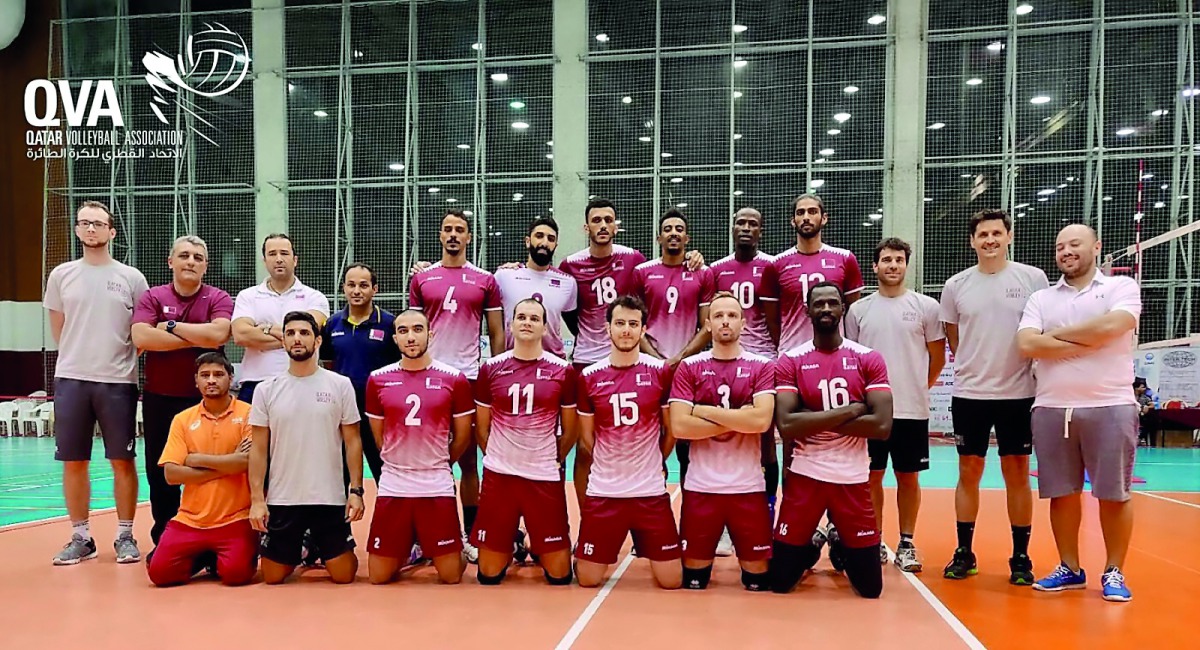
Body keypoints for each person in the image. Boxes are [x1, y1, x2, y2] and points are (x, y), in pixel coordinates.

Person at [1017, 224, 1141, 602]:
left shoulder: (1121, 288)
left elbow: (1114, 325)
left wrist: (1055, 339)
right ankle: (1069, 567)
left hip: (1111, 404)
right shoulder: (1041, 298)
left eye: (1074, 244)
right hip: (1053, 407)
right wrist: (1090, 340)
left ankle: (1114, 571)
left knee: (1114, 494)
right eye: (1060, 247)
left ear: (1096, 247)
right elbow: (1026, 344)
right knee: (1061, 493)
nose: (1066, 251)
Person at [559, 198, 703, 500]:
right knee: (586, 448)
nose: (602, 225)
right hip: (587, 360)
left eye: (608, 220)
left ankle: (645, 507)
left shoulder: (633, 260)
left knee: (643, 437)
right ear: (586, 226)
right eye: (596, 220)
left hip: (631, 361)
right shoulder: (570, 264)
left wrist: (694, 257)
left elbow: (662, 276)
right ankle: (589, 521)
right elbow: (568, 310)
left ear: (616, 226)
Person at [939, 209, 1049, 585]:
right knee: (968, 471)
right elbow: (954, 335)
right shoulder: (956, 285)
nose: (989, 240)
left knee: (1016, 473)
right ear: (972, 241)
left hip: (1019, 393)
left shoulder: (1033, 279)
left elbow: (1040, 329)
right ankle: (964, 552)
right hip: (970, 392)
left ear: (1009, 236)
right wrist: (975, 363)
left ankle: (1020, 556)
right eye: (982, 234)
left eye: (996, 233)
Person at [769, 282, 892, 598]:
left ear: (843, 308)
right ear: (807, 310)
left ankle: (840, 542)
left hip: (851, 479)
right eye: (819, 303)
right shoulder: (791, 360)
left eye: (832, 303)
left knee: (870, 589)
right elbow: (786, 426)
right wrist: (851, 410)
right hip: (806, 477)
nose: (826, 309)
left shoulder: (868, 358)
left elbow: (881, 426)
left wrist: (812, 417)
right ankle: (811, 544)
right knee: (780, 583)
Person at [44, 200, 149, 565]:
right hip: (72, 378)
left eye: (98, 223)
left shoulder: (132, 278)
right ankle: (81, 536)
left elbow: (139, 331)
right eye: (84, 223)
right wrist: (78, 356)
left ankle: (124, 534)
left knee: (122, 459)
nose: (91, 229)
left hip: (118, 381)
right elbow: (60, 328)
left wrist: (118, 362)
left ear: (111, 231)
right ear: (76, 229)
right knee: (74, 461)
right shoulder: (61, 275)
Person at [763, 194, 865, 547]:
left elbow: (850, 310)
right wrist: (791, 348)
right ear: (792, 221)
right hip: (792, 362)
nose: (806, 217)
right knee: (793, 446)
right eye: (800, 213)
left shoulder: (844, 259)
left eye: (812, 211)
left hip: (837, 362)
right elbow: (772, 319)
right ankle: (797, 532)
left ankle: (840, 530)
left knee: (843, 440)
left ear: (825, 217)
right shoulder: (777, 264)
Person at [408, 209, 505, 562]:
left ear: (469, 237)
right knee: (429, 460)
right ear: (439, 235)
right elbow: (412, 328)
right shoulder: (422, 279)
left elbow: (496, 331)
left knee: (469, 462)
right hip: (429, 379)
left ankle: (471, 535)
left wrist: (496, 373)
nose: (453, 235)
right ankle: (426, 536)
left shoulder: (485, 280)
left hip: (470, 378)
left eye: (459, 230)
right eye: (447, 229)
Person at [844, 238, 945, 571]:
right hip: (871, 412)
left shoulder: (926, 307)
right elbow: (852, 361)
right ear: (875, 267)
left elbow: (937, 356)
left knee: (908, 478)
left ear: (906, 264)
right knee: (871, 477)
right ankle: (873, 539)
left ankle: (906, 541)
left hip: (910, 410)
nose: (892, 265)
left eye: (899, 260)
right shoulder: (859, 310)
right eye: (886, 260)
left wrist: (916, 388)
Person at [131, 235, 234, 553]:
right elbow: (141, 338)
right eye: (185, 256)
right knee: (161, 469)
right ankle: (165, 534)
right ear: (170, 261)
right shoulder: (152, 296)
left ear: (205, 266)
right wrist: (196, 335)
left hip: (207, 400)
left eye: (198, 257)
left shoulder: (218, 296)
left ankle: (213, 530)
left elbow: (218, 335)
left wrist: (170, 326)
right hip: (161, 397)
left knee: (212, 467)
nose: (191, 261)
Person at [668, 292, 776, 590]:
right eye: (718, 316)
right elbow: (679, 426)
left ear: (743, 322)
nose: (725, 321)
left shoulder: (762, 365)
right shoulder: (690, 367)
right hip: (701, 488)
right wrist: (737, 418)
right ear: (707, 323)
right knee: (693, 580)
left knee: (757, 581)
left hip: (748, 488)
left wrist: (702, 411)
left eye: (731, 315)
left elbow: (761, 421)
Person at [248, 311, 365, 584]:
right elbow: (258, 448)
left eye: (304, 333)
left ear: (318, 341)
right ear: (284, 341)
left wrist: (356, 491)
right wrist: (257, 499)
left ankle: (316, 543)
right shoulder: (266, 389)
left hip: (329, 496)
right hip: (284, 497)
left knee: (344, 575)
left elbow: (353, 441)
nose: (297, 339)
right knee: (273, 577)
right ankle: (303, 546)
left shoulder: (340, 385)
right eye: (290, 334)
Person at [574, 295, 682, 590]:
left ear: (643, 330)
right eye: (619, 323)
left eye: (633, 324)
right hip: (605, 491)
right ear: (607, 328)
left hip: (649, 492)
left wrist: (656, 461)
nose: (626, 330)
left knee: (672, 581)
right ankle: (585, 550)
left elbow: (670, 429)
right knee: (587, 580)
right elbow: (586, 437)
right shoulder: (588, 377)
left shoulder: (659, 372)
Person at [471, 299, 578, 585]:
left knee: (560, 576)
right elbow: (482, 428)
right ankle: (514, 543)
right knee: (488, 575)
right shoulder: (490, 369)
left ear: (545, 327)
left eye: (534, 318)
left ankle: (534, 544)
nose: (527, 322)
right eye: (521, 317)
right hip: (500, 476)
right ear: (511, 325)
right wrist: (497, 455)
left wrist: (554, 459)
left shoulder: (563, 371)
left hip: (542, 476)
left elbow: (570, 429)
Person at [364, 310, 474, 585]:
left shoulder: (454, 379)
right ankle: (410, 545)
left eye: (417, 329)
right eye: (403, 331)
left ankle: (447, 542)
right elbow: (380, 438)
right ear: (395, 338)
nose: (411, 337)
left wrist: (439, 463)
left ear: (430, 334)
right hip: (394, 483)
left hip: (436, 482)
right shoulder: (378, 379)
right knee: (378, 576)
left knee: (450, 576)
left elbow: (462, 438)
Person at [146, 352, 257, 587]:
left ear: (231, 378)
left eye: (218, 374)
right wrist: (230, 463)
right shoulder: (182, 419)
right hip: (190, 519)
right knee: (160, 574)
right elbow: (171, 475)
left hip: (235, 517)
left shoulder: (248, 413)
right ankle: (206, 555)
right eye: (205, 375)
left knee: (236, 574)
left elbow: (247, 462)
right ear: (196, 381)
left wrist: (194, 459)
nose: (211, 380)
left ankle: (217, 556)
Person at [633, 209, 716, 502]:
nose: (673, 233)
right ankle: (647, 513)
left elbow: (708, 326)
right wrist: (656, 359)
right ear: (658, 237)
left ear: (687, 237)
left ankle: (691, 525)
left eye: (679, 229)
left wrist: (679, 359)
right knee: (650, 440)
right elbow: (634, 322)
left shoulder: (702, 273)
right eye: (667, 228)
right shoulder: (642, 273)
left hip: (687, 370)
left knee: (687, 446)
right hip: (650, 367)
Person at [710, 207, 780, 547]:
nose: (746, 228)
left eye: (753, 223)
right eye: (740, 222)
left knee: (766, 443)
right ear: (732, 227)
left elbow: (779, 318)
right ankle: (723, 523)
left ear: (761, 231)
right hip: (723, 363)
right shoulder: (716, 270)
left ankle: (767, 515)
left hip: (762, 363)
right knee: (723, 437)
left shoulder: (772, 267)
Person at [321, 263, 401, 484]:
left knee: (384, 475)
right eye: (351, 285)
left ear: (375, 289)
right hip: (343, 413)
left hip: (378, 414)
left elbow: (399, 369)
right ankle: (341, 520)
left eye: (363, 285)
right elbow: (328, 366)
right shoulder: (332, 324)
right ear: (344, 288)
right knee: (340, 478)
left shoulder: (389, 324)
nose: (357, 291)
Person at [231, 233, 330, 402]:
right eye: (272, 254)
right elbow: (241, 336)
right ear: (264, 261)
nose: (278, 259)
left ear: (295, 260)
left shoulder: (315, 297)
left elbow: (310, 335)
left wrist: (265, 328)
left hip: (303, 382)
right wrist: (294, 339)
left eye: (284, 253)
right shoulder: (247, 296)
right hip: (256, 383)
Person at [494, 217, 579, 358]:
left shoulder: (568, 282)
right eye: (539, 236)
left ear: (555, 246)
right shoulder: (504, 276)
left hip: (553, 365)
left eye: (551, 239)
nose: (544, 243)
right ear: (528, 241)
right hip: (513, 361)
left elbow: (576, 327)